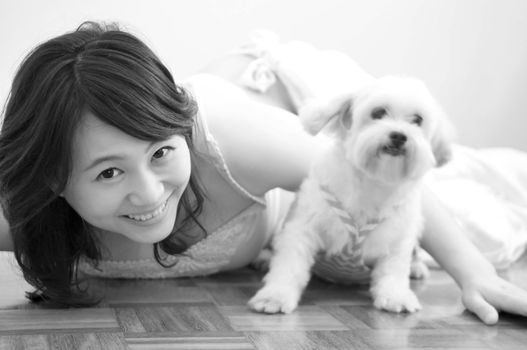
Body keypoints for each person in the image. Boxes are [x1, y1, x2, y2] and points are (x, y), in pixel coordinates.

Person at [0, 21, 526, 325]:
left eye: (161, 154)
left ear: (180, 134)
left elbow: (401, 188)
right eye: (109, 173)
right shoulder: (22, 201)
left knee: (475, 193)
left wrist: (473, 272)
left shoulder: (233, 142)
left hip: (286, 105)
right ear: (50, 179)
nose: (148, 193)